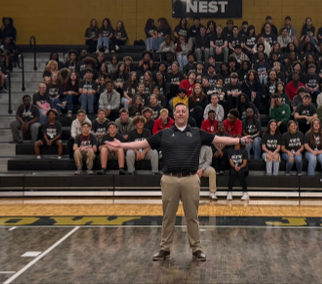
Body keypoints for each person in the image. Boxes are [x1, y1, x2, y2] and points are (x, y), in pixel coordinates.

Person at [105, 103, 252, 262]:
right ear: (174, 115)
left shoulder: (197, 133)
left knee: (192, 216)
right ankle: (165, 248)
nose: (181, 114)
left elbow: (219, 138)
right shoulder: (165, 133)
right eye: (178, 111)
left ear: (187, 115)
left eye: (183, 111)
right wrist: (121, 144)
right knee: (168, 216)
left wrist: (239, 139)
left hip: (190, 179)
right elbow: (143, 144)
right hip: (169, 179)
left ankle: (196, 249)